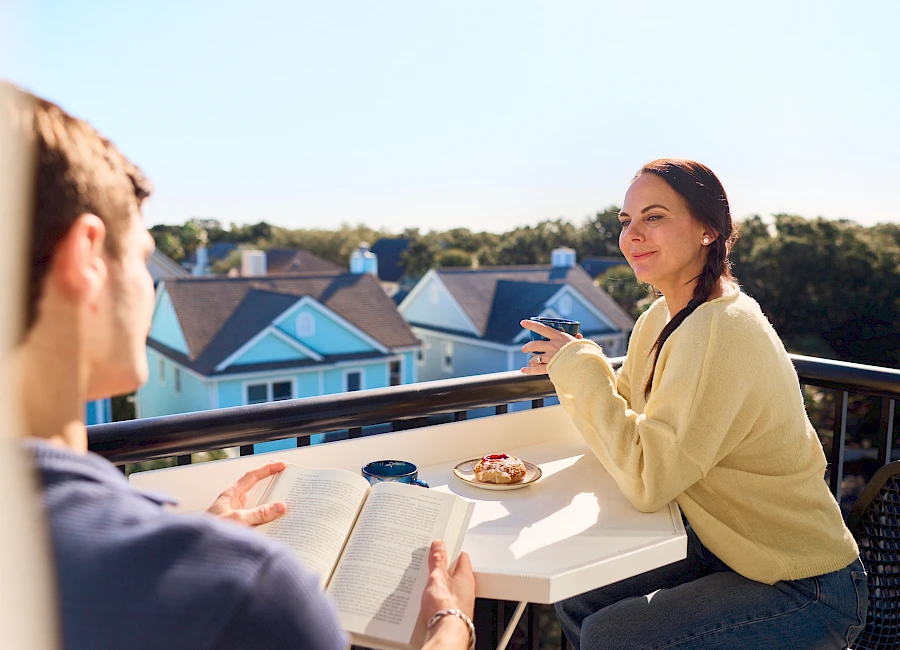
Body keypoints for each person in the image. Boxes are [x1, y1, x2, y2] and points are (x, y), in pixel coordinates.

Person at [3, 82, 475, 650]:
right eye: (143, 258)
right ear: (87, 259)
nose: (152, 291)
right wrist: (451, 629)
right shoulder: (242, 596)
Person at [520, 159, 868, 649]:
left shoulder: (718, 329)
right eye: (626, 221)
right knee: (579, 592)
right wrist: (578, 364)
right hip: (726, 544)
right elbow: (628, 423)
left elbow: (648, 479)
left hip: (802, 583)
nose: (632, 235)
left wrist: (579, 364)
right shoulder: (662, 317)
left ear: (708, 230)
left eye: (654, 217)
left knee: (615, 636)